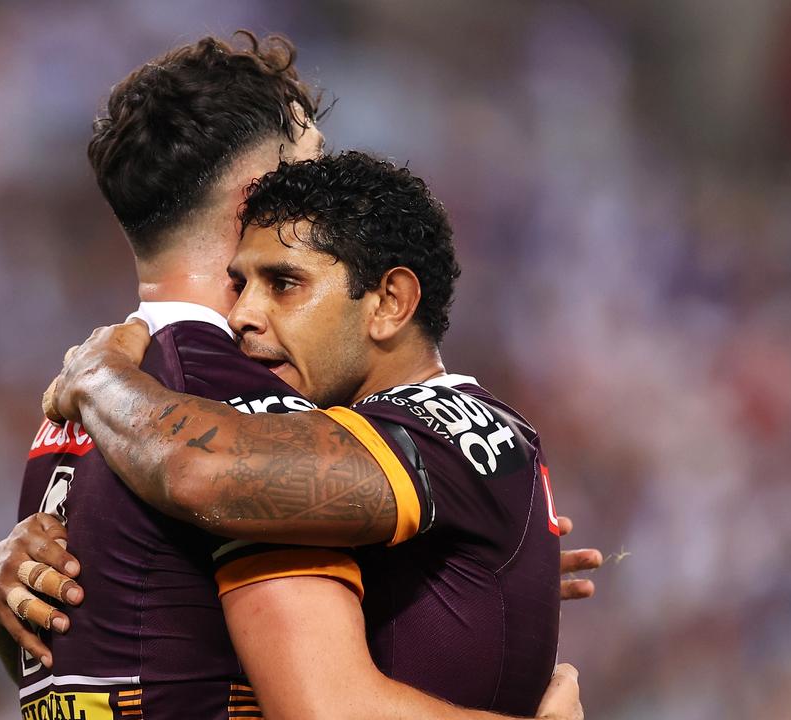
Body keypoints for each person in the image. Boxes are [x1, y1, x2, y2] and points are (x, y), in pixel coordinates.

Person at [0, 33, 600, 720]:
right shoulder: (235, 408)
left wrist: (471, 578)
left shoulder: (78, 408)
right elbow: (326, 708)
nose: (327, 186)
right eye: (312, 165)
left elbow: (92, 652)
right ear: (257, 200)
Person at [42, 151, 565, 717]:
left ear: (389, 303)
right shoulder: (386, 440)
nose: (243, 313)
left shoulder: (452, 423)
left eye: (284, 283)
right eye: (240, 284)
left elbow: (202, 471)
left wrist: (101, 377)